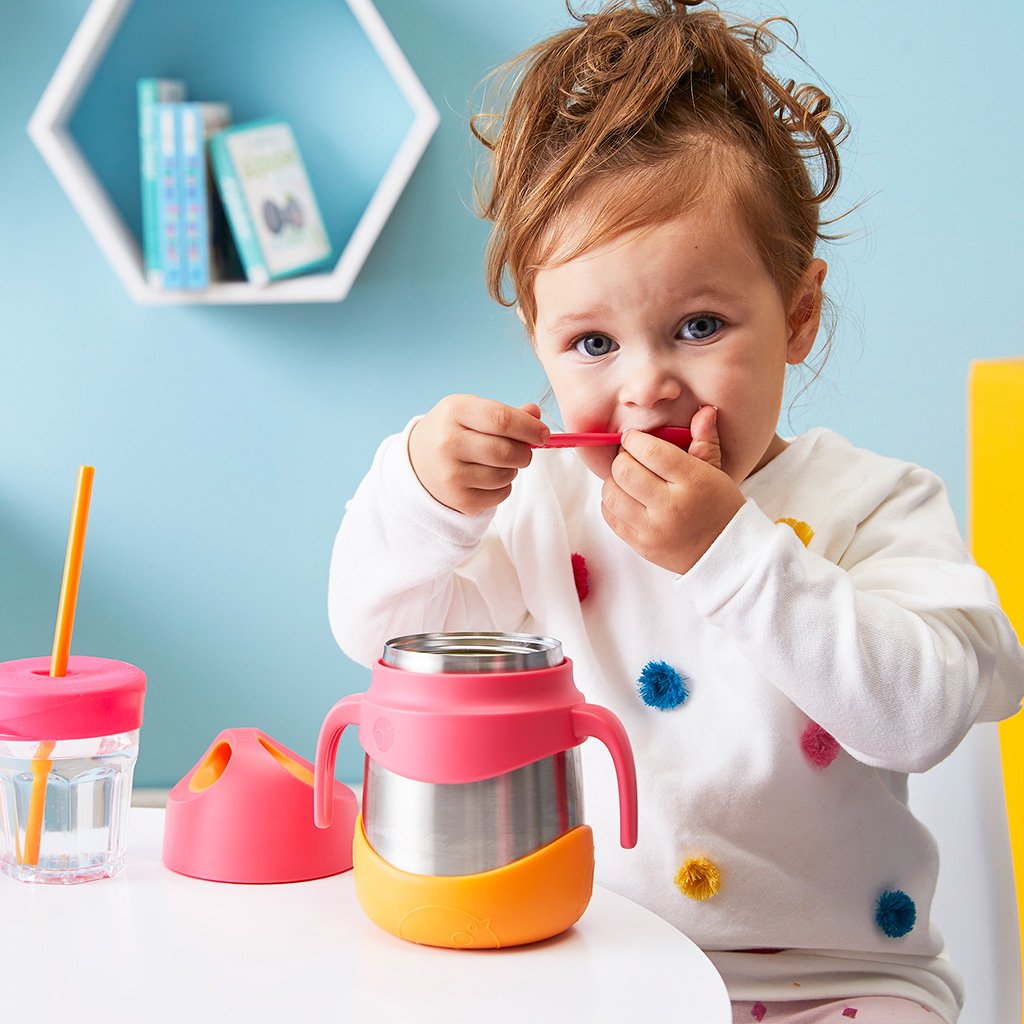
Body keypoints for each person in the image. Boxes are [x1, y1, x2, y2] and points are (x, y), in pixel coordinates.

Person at [327, 3, 1024, 1021]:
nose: (647, 386)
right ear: (538, 341)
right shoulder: (538, 512)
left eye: (697, 326)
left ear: (795, 315)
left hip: (837, 985)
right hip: (589, 968)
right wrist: (421, 494)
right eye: (594, 345)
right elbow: (374, 633)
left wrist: (731, 555)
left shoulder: (872, 504)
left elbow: (918, 716)